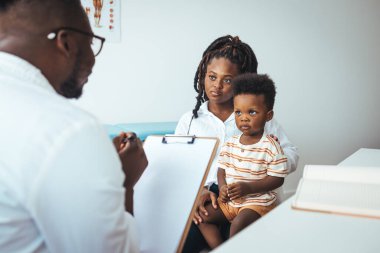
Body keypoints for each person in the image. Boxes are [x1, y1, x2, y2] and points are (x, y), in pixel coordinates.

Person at [0, 1, 147, 252]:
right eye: (91, 43)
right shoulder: (69, 130)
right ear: (66, 43)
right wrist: (123, 183)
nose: (92, 58)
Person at [175, 35, 299, 252]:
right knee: (185, 240)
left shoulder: (256, 117)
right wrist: (198, 192)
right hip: (208, 195)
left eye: (228, 80)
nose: (217, 86)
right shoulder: (190, 120)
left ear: (241, 81)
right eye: (212, 77)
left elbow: (291, 155)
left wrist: (264, 164)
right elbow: (178, 166)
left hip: (250, 194)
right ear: (203, 75)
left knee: (246, 237)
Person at [197, 73, 288, 249]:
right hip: (232, 201)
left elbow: (278, 178)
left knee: (238, 225)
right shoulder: (231, 143)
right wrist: (223, 187)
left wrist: (248, 187)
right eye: (238, 112)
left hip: (257, 203)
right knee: (203, 215)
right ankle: (220, 249)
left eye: (252, 112)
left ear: (268, 115)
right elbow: (221, 170)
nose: (243, 118)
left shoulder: (270, 146)